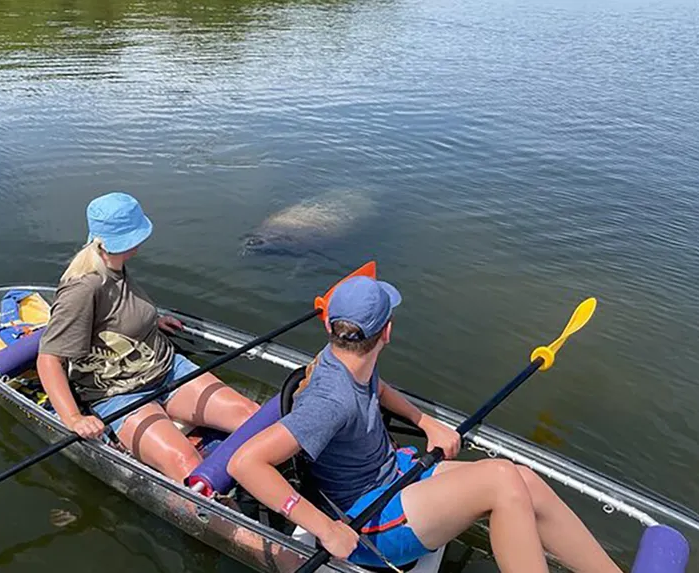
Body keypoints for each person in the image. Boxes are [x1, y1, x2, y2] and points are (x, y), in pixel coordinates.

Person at [227, 276, 622, 573]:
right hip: (366, 521)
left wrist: (425, 421)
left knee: (524, 479)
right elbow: (244, 463)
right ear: (387, 332)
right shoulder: (329, 401)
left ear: (335, 327)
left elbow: (377, 389)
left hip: (394, 475)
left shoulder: (344, 355)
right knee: (501, 481)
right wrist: (324, 529)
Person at [37, 191, 260, 483]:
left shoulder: (116, 265)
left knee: (252, 417)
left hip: (167, 369)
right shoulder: (82, 288)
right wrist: (74, 419)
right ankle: (241, 526)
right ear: (113, 242)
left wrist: (151, 322)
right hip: (120, 392)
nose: (140, 243)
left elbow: (118, 315)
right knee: (188, 465)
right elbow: (49, 360)